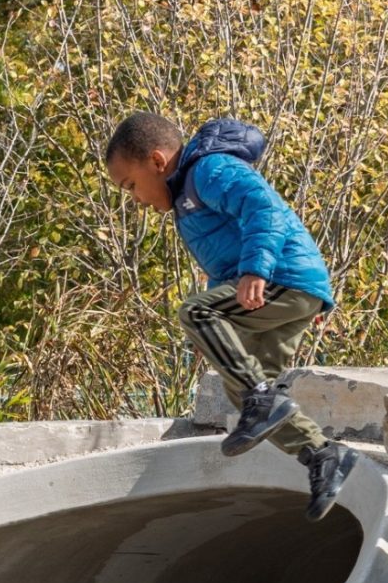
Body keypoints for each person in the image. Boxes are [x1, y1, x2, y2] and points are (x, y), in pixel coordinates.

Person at [102, 111, 355, 520]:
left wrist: (256, 269)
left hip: (282, 276)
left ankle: (263, 399)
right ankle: (323, 456)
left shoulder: (208, 170)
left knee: (197, 313)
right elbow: (223, 269)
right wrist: (213, 336)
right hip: (282, 289)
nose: (136, 199)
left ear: (157, 161)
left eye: (130, 185)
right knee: (242, 388)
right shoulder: (187, 200)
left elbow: (263, 208)